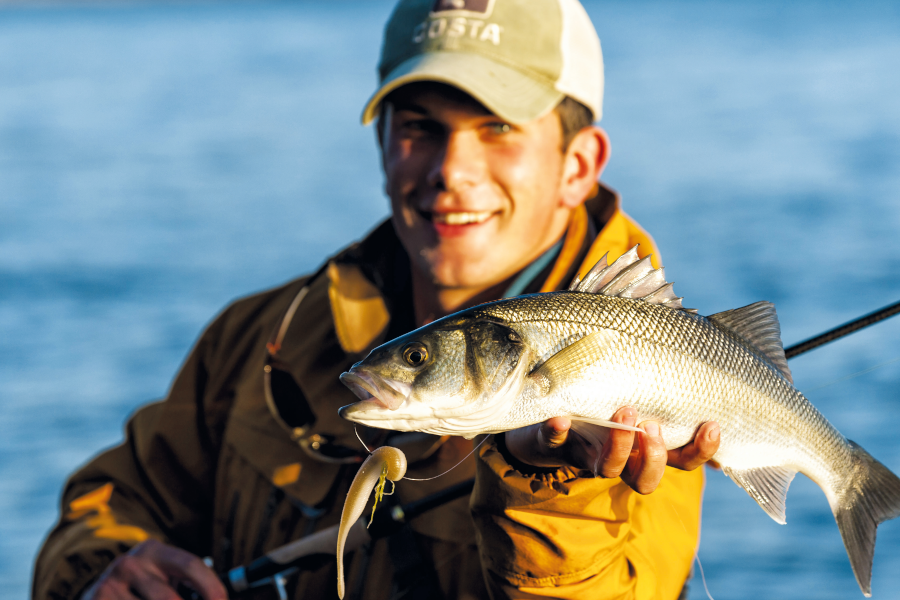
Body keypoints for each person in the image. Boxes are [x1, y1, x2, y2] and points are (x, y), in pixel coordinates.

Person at [34, 1, 720, 599]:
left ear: (579, 165)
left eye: (497, 128)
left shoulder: (651, 380)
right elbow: (118, 498)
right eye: (419, 126)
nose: (451, 170)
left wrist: (549, 483)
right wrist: (101, 569)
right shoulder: (258, 336)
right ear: (383, 143)